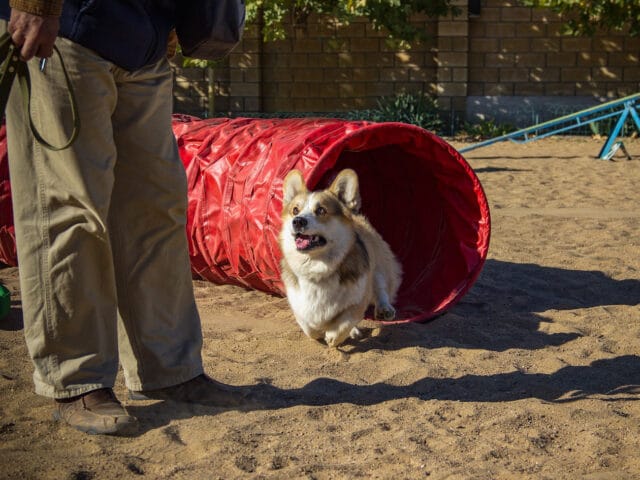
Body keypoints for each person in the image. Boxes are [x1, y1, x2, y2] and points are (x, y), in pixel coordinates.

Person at [0, 0, 251, 436]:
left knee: (155, 209)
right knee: (70, 210)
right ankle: (76, 379)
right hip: (65, 30)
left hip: (145, 37)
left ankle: (170, 368)